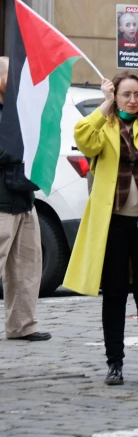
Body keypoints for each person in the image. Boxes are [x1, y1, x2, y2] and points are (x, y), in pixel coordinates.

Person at [64, 63, 138, 384]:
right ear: (116, 96)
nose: (132, 100)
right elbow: (83, 137)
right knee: (115, 294)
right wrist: (104, 104)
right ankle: (114, 363)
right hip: (113, 224)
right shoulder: (104, 126)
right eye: (125, 94)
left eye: (137, 94)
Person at [0, 56, 50, 343]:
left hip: (23, 200)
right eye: (13, 75)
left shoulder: (21, 111)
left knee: (26, 268)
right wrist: (22, 150)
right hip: (1, 204)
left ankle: (22, 325)